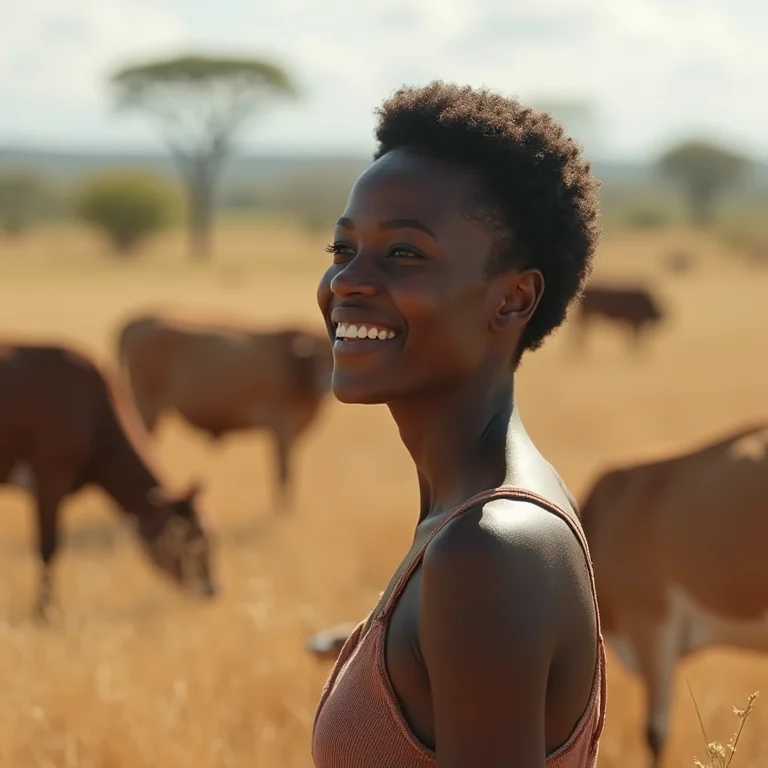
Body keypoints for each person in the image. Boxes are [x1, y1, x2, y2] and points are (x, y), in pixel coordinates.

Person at [312, 81, 606, 768]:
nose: (348, 282)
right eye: (342, 250)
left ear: (512, 299)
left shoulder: (490, 550)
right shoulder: (466, 518)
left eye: (404, 254)